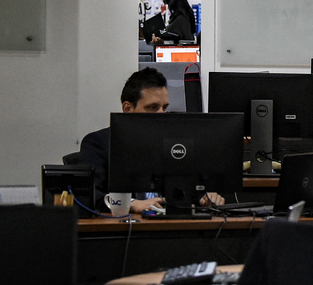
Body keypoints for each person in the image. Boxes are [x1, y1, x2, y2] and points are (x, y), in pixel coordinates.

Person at [78, 67, 223, 214]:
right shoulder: (98, 143)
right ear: (128, 109)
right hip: (123, 225)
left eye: (164, 107)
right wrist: (131, 204)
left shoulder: (173, 145)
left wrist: (204, 197)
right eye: (153, 107)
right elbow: (89, 195)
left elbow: (189, 189)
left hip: (168, 223)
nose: (161, 114)